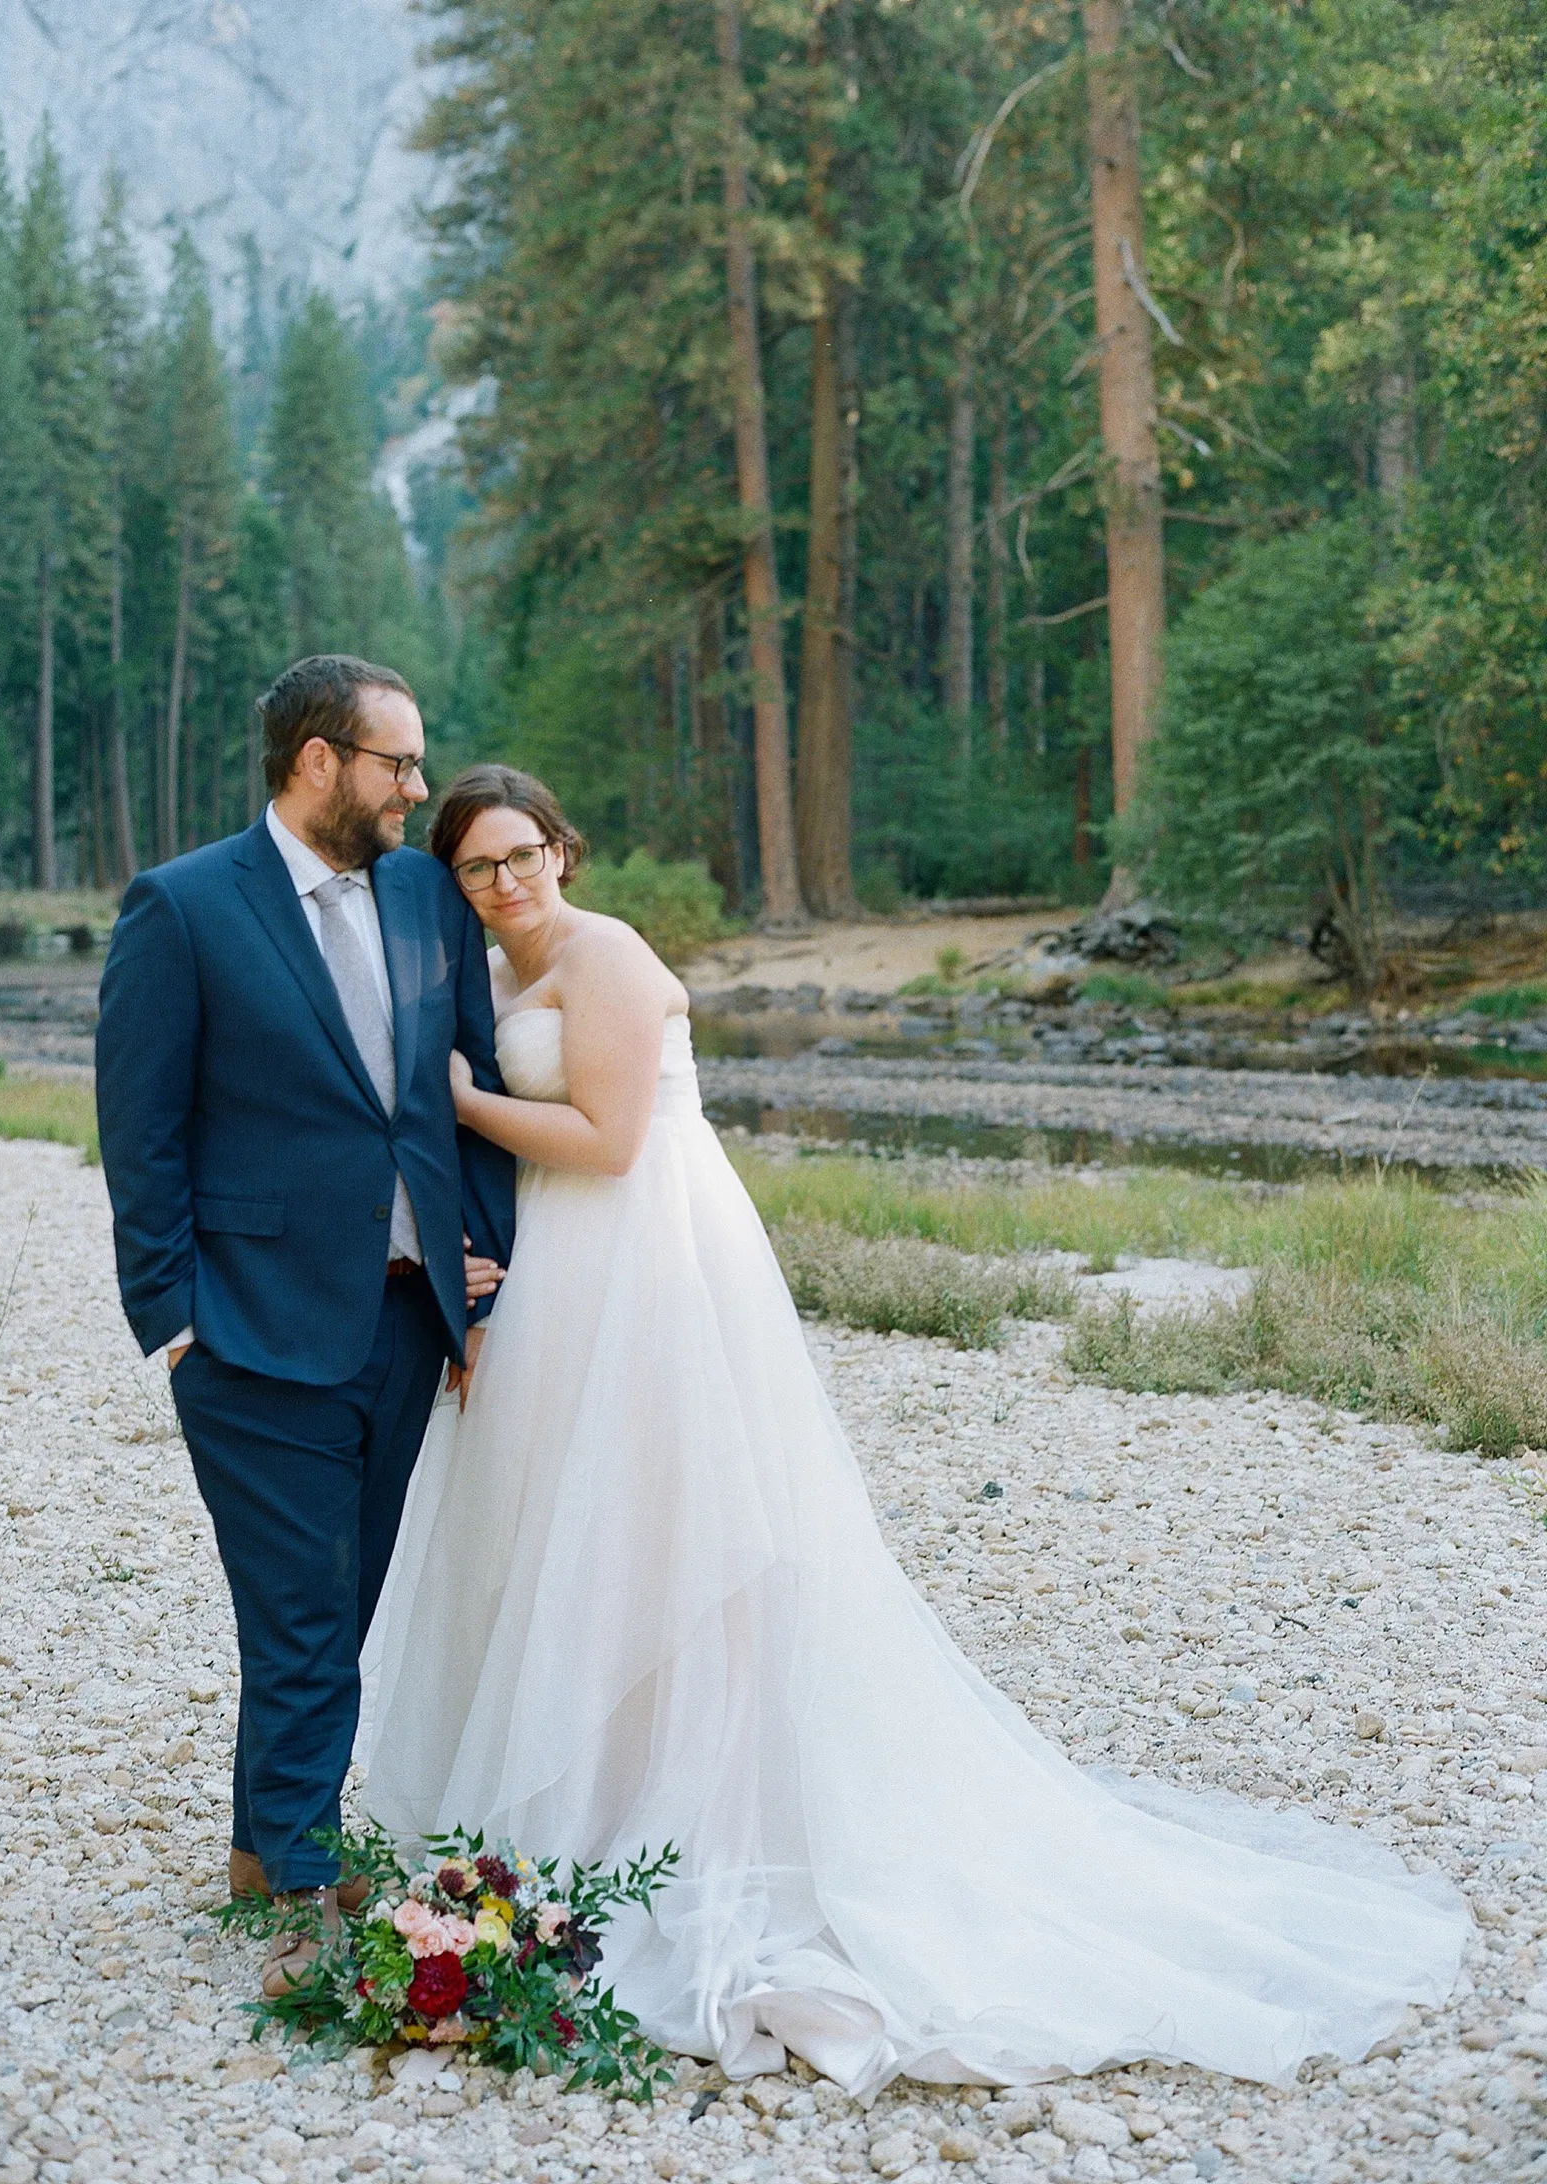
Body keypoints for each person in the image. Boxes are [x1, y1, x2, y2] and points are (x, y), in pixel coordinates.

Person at [361, 762, 1468, 2100]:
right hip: (557, 1276)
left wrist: (462, 1096)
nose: (505, 881)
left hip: (646, 1261)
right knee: (567, 1532)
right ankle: (585, 1798)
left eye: (522, 853)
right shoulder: (489, 964)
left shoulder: (609, 956)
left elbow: (602, 1140)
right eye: (477, 865)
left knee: (675, 1517)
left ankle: (696, 1808)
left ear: (564, 848)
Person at [95, 655, 514, 1999]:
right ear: (318, 760)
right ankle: (298, 1875)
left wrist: (479, 1262)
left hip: (403, 1325)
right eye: (398, 764)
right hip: (251, 1331)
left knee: (344, 1602)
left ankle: (251, 1846)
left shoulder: (421, 898)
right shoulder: (184, 908)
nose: (416, 790)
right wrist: (172, 1320)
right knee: (299, 1613)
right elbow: (142, 1133)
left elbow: (466, 1087)